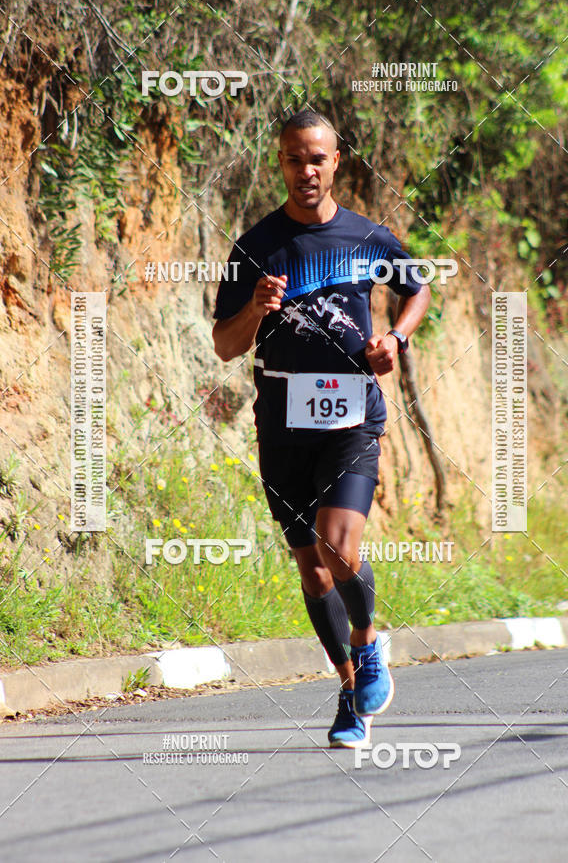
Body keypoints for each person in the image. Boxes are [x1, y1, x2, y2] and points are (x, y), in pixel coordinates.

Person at [212, 109, 430, 748]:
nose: (305, 170)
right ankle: (348, 692)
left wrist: (395, 336)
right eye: (292, 159)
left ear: (337, 162)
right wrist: (255, 309)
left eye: (316, 159)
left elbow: (416, 290)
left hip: (351, 416)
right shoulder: (255, 246)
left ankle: (368, 646)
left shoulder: (369, 237)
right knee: (312, 570)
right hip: (280, 422)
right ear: (278, 163)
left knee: (340, 549)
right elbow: (226, 346)